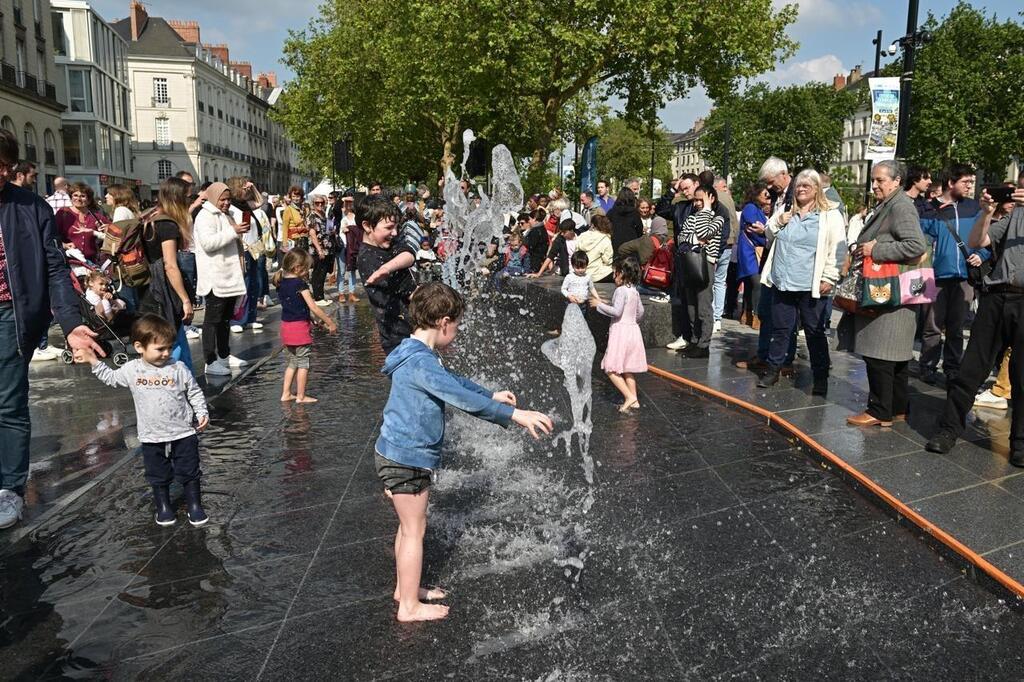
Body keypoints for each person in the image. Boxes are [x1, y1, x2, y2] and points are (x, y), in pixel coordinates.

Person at [375, 282, 553, 621]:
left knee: (409, 524)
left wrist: (489, 394)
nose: (455, 334)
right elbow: (458, 397)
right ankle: (409, 607)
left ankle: (405, 588)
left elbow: (453, 382)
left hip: (397, 452)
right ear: (443, 323)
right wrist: (514, 415)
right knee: (415, 530)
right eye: (455, 327)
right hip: (407, 457)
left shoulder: (415, 353)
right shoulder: (422, 364)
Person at [0, 128, 100, 528]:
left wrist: (72, 323)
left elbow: (55, 267)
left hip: (11, 313)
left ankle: (9, 488)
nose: (2, 173)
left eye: (6, 166)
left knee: (8, 401)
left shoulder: (30, 206)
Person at [76, 314, 210, 526]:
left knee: (189, 470)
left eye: (169, 347)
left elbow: (193, 392)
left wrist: (202, 412)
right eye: (160, 349)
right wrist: (93, 361)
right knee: (157, 473)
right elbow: (111, 378)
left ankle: (195, 505)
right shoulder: (132, 370)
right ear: (139, 347)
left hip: (183, 432)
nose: (166, 353)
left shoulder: (178, 368)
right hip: (151, 436)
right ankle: (164, 507)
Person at [926, 184, 1024, 462]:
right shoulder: (1011, 217)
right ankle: (948, 430)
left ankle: (1019, 443)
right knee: (970, 369)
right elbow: (977, 241)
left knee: (1021, 377)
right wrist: (986, 212)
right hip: (996, 298)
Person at [846, 160, 928, 428]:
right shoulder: (891, 204)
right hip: (893, 292)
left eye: (880, 180)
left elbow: (915, 245)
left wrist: (875, 250)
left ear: (896, 181)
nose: (874, 185)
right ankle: (898, 408)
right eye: (874, 180)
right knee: (896, 355)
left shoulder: (901, 205)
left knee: (880, 353)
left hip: (890, 292)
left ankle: (880, 411)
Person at [756, 170, 846, 395]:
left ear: (817, 189)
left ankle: (820, 377)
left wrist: (830, 276)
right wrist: (778, 220)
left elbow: (838, 248)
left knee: (815, 333)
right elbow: (768, 234)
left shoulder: (829, 215)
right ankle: (773, 369)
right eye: (798, 185)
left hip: (810, 285)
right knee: (781, 329)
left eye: (806, 185)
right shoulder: (786, 211)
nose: (801, 189)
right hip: (783, 282)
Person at [917, 164, 987, 385]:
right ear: (950, 183)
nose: (970, 186)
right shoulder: (928, 209)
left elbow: (986, 237)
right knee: (932, 327)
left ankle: (952, 368)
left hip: (964, 277)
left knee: (956, 328)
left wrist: (982, 255)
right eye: (966, 182)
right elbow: (920, 241)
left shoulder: (974, 208)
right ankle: (927, 366)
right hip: (935, 277)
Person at [735, 157, 797, 372]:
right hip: (771, 260)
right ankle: (765, 355)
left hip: (785, 262)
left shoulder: (795, 193)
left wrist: (767, 229)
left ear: (783, 174)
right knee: (766, 310)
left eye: (771, 182)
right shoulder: (779, 196)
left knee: (784, 315)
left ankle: (784, 361)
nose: (769, 189)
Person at [137, 177, 196, 371]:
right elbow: (170, 265)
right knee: (173, 339)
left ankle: (187, 383)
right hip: (165, 288)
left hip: (150, 286)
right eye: (186, 198)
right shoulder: (167, 225)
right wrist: (185, 299)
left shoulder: (150, 220)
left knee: (174, 337)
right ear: (177, 199)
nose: (189, 202)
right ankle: (177, 386)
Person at [193, 182, 249, 376]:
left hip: (229, 275)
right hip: (215, 277)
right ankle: (210, 360)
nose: (226, 203)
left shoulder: (227, 214)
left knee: (225, 320)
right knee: (212, 320)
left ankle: (224, 355)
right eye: (222, 199)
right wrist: (233, 231)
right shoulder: (204, 216)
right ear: (213, 198)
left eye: (228, 199)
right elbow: (208, 243)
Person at [273, 249, 338, 403]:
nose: (308, 271)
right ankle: (301, 396)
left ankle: (286, 394)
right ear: (297, 268)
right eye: (307, 268)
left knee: (292, 362)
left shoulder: (281, 282)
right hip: (299, 329)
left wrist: (312, 320)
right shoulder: (300, 284)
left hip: (286, 327)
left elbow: (295, 306)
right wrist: (330, 322)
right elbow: (313, 306)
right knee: (303, 364)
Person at [357, 195, 419, 354]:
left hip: (412, 330)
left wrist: (388, 267)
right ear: (367, 226)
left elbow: (409, 255)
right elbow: (409, 292)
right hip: (397, 337)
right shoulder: (367, 259)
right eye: (389, 227)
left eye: (397, 227)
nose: (395, 232)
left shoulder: (390, 244)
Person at [591, 257, 647, 411]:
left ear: (622, 274)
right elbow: (640, 312)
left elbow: (616, 311)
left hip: (620, 333)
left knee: (611, 368)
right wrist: (631, 322)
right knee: (627, 368)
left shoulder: (620, 290)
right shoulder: (634, 291)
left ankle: (628, 396)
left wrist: (599, 305)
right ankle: (634, 400)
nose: (614, 277)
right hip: (633, 331)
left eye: (615, 274)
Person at [674, 185, 724, 359]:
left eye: (700, 199)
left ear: (711, 199)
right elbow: (682, 238)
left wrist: (707, 211)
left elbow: (703, 232)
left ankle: (704, 344)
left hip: (705, 264)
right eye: (695, 200)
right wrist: (697, 240)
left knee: (703, 305)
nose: (696, 203)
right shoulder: (692, 217)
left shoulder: (718, 219)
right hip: (689, 263)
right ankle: (695, 341)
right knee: (691, 305)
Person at [226, 177, 271, 333]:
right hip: (242, 249)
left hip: (254, 248)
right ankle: (237, 319)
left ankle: (251, 317)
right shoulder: (231, 208)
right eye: (244, 188)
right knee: (243, 285)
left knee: (254, 284)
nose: (246, 190)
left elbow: (260, 202)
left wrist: (253, 188)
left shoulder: (246, 205)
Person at [736, 182, 770, 329]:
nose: (768, 197)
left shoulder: (757, 209)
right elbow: (753, 228)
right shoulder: (751, 208)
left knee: (750, 284)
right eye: (765, 194)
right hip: (749, 250)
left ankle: (746, 314)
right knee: (756, 282)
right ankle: (755, 316)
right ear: (756, 194)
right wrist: (766, 239)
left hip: (750, 249)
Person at [57, 182, 109, 263]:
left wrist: (106, 229)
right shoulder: (63, 213)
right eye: (75, 195)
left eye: (83, 196)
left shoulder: (96, 216)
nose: (78, 199)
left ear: (89, 199)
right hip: (69, 262)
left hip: (92, 262)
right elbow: (52, 235)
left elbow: (115, 234)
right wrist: (64, 245)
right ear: (71, 197)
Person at [712, 177, 739, 331]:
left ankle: (711, 314)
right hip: (728, 243)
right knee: (721, 281)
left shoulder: (710, 196)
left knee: (710, 280)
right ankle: (717, 317)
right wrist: (733, 238)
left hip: (713, 242)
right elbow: (734, 221)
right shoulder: (729, 198)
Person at [306, 194, 338, 306]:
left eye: (322, 203)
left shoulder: (324, 214)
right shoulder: (312, 216)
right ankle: (318, 298)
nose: (320, 205)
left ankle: (320, 296)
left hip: (327, 248)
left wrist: (332, 231)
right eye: (317, 203)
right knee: (317, 273)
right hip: (318, 249)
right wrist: (319, 250)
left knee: (323, 273)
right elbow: (312, 234)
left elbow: (327, 229)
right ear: (313, 204)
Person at [576, 215, 614, 284]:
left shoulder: (582, 236)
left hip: (580, 273)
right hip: (598, 275)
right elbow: (607, 261)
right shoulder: (605, 239)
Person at [607, 187, 644, 254]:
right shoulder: (634, 213)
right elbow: (639, 229)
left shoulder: (612, 212)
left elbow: (606, 226)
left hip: (615, 242)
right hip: (631, 244)